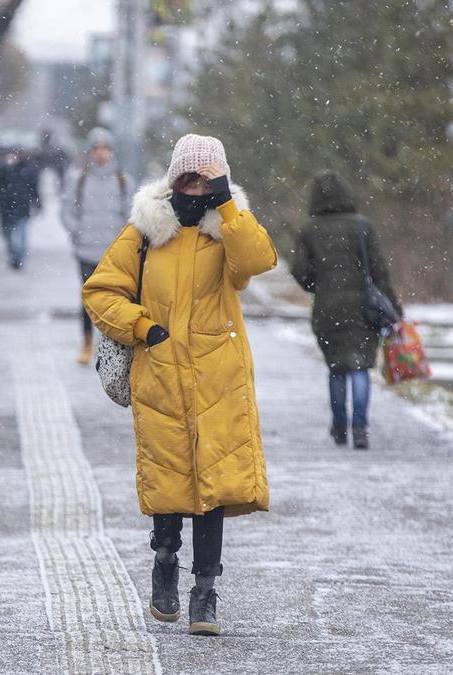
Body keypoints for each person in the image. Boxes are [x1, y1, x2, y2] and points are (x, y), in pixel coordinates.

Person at [82, 134, 277, 636]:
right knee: (169, 476)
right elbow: (101, 291)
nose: (197, 185)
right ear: (173, 178)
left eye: (207, 175)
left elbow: (258, 263)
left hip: (218, 375)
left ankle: (205, 592)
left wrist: (227, 204)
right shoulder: (147, 230)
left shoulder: (230, 229)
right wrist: (145, 328)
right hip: (162, 370)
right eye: (189, 175)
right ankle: (165, 565)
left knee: (213, 485)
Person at [290, 171, 402, 450]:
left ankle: (340, 427)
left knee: (337, 368)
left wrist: (319, 285)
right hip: (363, 309)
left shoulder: (310, 230)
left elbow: (300, 272)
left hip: (328, 309)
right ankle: (360, 427)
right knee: (360, 367)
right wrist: (394, 307)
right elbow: (380, 272)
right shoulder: (362, 227)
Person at [62, 128, 135, 365]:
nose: (101, 154)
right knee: (87, 298)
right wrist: (77, 230)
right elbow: (67, 211)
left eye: (105, 149)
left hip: (114, 253)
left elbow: (131, 215)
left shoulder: (124, 181)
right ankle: (86, 343)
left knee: (114, 300)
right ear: (90, 152)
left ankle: (111, 346)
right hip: (86, 249)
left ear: (112, 152)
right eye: (96, 149)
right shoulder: (79, 179)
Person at [0, 146, 40, 270]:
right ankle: (14, 256)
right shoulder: (0, 169)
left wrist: (37, 202)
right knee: (8, 235)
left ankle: (19, 258)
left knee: (21, 235)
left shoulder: (28, 169)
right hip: (5, 208)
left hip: (22, 207)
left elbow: (34, 187)